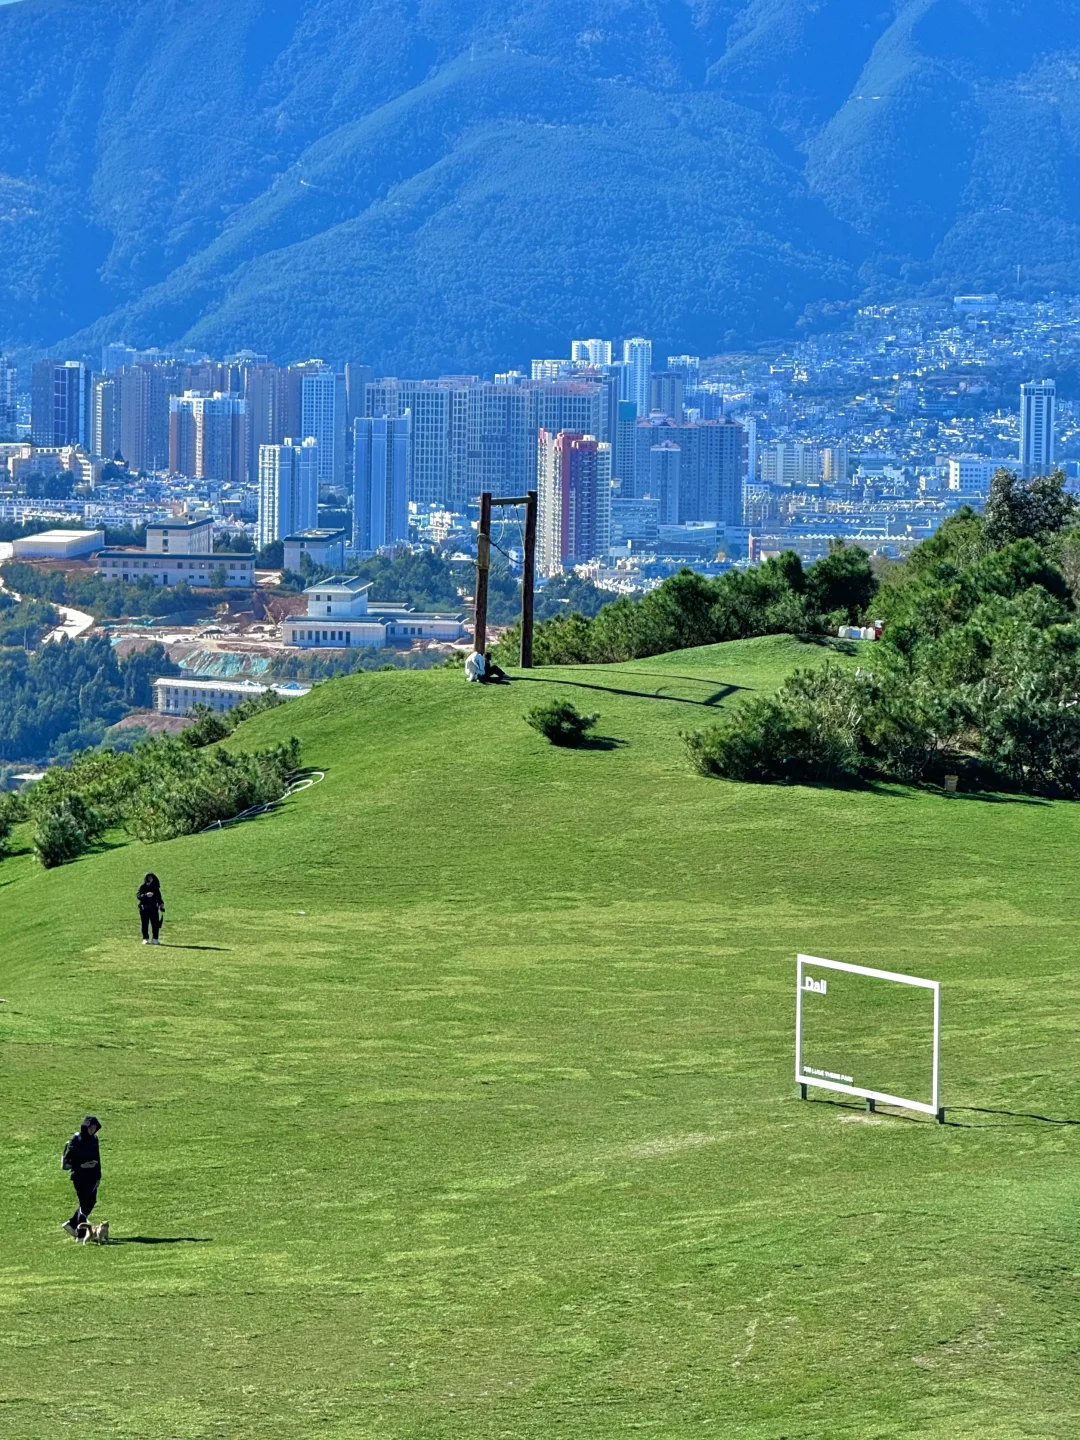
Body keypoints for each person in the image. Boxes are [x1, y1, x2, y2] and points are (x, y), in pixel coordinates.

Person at [61, 1115, 102, 1239]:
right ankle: (81, 1234)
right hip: (80, 1177)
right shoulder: (76, 1140)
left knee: (91, 1201)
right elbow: (67, 1161)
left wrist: (98, 1176)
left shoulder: (94, 1139)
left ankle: (71, 1224)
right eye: (90, 1127)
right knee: (85, 1203)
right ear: (86, 1126)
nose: (92, 1129)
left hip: (92, 1176)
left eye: (94, 1127)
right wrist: (81, 1165)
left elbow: (98, 1158)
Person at [137, 872, 165, 945]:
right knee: (145, 925)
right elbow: (139, 896)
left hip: (154, 909)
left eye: (151, 878)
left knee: (155, 925)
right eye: (148, 878)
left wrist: (161, 904)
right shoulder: (142, 887)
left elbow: (159, 897)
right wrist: (146, 895)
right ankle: (145, 938)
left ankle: (155, 939)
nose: (150, 879)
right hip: (144, 909)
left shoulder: (155, 887)